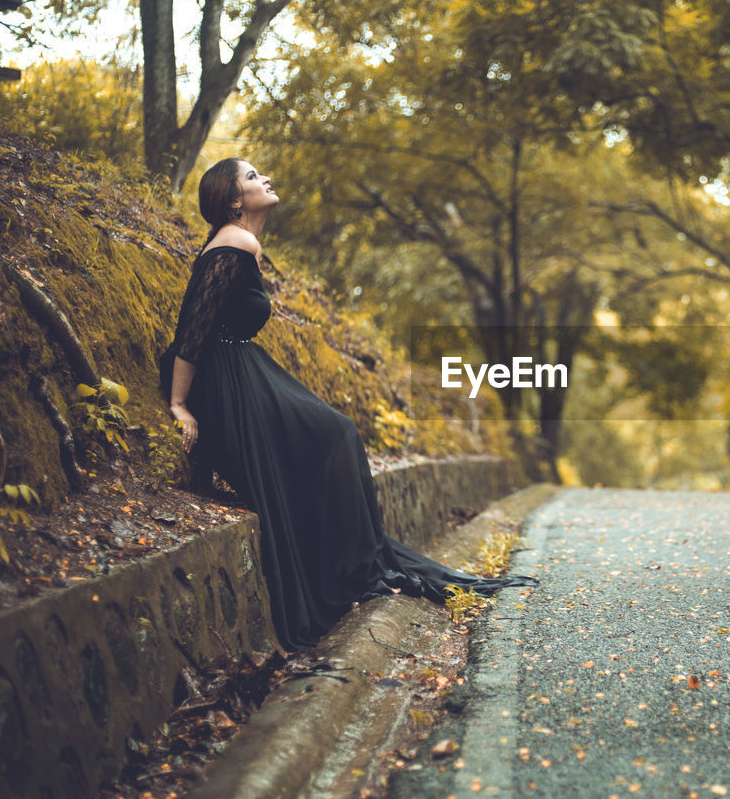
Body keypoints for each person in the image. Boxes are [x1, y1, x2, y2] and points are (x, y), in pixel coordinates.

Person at [159, 157, 536, 650]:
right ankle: (353, 565)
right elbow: (192, 326)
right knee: (335, 434)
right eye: (251, 177)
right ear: (232, 200)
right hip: (224, 379)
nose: (265, 178)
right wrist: (180, 404)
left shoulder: (242, 243)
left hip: (241, 369)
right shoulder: (235, 240)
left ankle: (355, 559)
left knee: (334, 435)